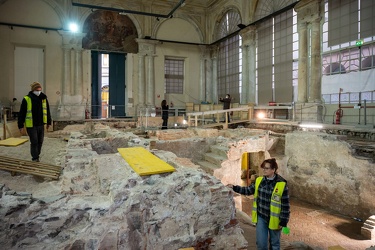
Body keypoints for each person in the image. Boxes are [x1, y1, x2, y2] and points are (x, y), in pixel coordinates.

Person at [227, 158, 290, 250]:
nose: (264, 170)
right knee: (261, 244)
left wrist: (284, 221)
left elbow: (285, 205)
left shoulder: (281, 184)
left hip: (275, 219)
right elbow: (248, 190)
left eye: (267, 168)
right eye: (263, 168)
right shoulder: (259, 181)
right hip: (261, 217)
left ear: (273, 170)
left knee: (275, 244)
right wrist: (234, 187)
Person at [18, 82, 52, 162]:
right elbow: (22, 113)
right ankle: (35, 158)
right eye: (37, 90)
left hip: (41, 124)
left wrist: (49, 122)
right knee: (34, 142)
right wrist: (20, 125)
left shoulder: (43, 98)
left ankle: (37, 155)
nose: (39, 92)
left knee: (40, 141)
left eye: (40, 90)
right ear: (33, 90)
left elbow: (47, 111)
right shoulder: (27, 99)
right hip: (31, 125)